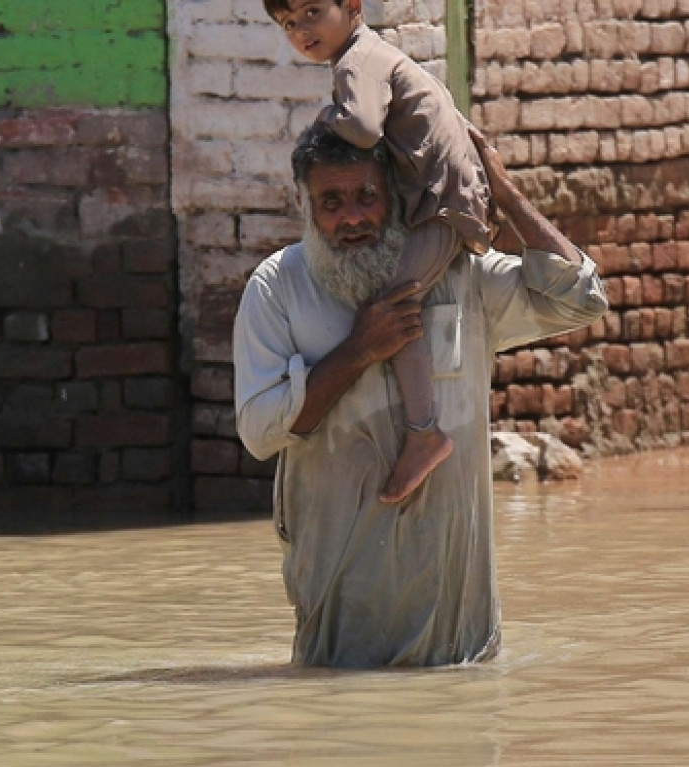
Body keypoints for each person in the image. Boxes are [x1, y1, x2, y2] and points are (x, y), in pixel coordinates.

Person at [232, 123, 608, 668]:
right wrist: (359, 350)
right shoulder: (277, 288)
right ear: (306, 207)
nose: (352, 217)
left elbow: (583, 301)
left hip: (460, 616)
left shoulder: (459, 276)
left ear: (394, 196)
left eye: (367, 196)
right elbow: (260, 432)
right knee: (337, 727)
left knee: (461, 725)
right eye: (330, 202)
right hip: (340, 604)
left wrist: (507, 194)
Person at [267, 0, 497, 504]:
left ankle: (424, 432)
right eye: (288, 24)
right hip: (447, 197)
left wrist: (329, 116)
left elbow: (364, 129)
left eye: (311, 13)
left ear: (352, 6)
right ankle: (423, 431)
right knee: (396, 306)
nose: (300, 30)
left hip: (441, 206)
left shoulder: (356, 62)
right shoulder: (378, 55)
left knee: (392, 310)